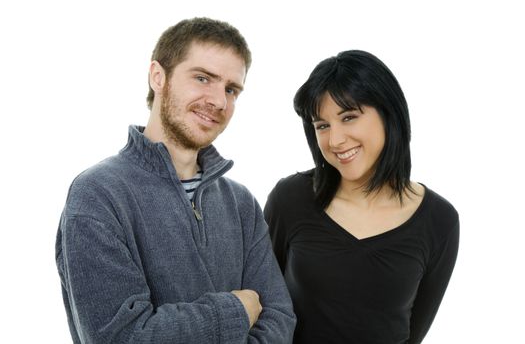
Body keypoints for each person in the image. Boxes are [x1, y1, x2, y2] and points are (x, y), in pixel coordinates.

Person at [55, 17, 295, 343]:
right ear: (158, 77)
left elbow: (279, 318)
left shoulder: (240, 204)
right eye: (202, 78)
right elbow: (122, 337)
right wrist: (236, 310)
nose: (219, 101)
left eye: (231, 89)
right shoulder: (98, 194)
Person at [264, 50, 459, 343]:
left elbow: (412, 334)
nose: (335, 140)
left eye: (349, 117)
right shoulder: (290, 199)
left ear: (388, 113)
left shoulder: (439, 220)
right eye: (322, 126)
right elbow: (263, 305)